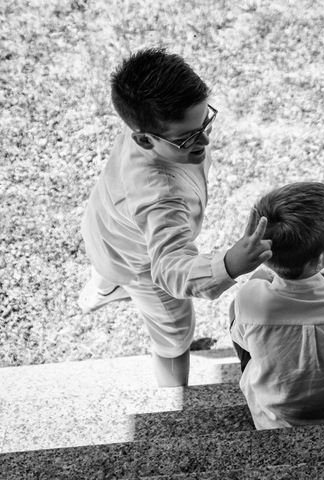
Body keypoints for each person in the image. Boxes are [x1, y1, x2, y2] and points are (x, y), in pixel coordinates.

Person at [79, 48, 272, 387]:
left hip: (105, 226)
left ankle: (103, 288)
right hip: (140, 263)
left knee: (108, 262)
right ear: (144, 139)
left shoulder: (146, 124)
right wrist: (229, 264)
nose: (205, 139)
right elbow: (168, 269)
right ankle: (174, 409)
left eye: (205, 122)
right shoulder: (160, 195)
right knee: (174, 336)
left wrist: (185, 138)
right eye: (188, 137)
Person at [229, 182, 324, 430]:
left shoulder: (250, 299)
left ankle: (255, 377)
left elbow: (242, 339)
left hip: (275, 419)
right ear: (318, 259)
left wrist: (258, 279)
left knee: (236, 310)